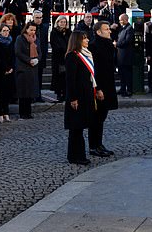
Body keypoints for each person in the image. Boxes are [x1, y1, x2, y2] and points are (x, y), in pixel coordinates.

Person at [64, 31, 95, 165]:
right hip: (77, 96)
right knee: (75, 128)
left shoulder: (85, 54)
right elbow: (70, 79)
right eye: (84, 39)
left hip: (86, 94)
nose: (87, 40)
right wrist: (73, 98)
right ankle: (75, 156)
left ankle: (79, 154)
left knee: (80, 126)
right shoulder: (72, 56)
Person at [88, 21, 117, 157]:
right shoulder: (94, 46)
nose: (109, 31)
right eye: (106, 29)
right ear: (98, 32)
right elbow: (94, 70)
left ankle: (99, 144)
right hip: (99, 86)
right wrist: (98, 88)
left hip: (108, 85)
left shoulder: (109, 45)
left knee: (102, 116)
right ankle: (93, 146)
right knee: (96, 117)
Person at [15, 22, 40, 119]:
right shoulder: (20, 38)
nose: (33, 32)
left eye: (34, 30)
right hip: (23, 68)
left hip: (33, 68)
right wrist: (29, 60)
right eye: (31, 30)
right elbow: (18, 52)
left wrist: (37, 59)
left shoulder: (36, 39)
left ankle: (28, 112)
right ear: (26, 29)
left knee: (30, 92)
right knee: (23, 92)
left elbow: (40, 52)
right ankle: (22, 113)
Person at [0, 24, 15, 123]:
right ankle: (0, 113)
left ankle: (6, 112)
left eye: (7, 30)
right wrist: (5, 68)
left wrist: (11, 68)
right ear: (0, 32)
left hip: (9, 71)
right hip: (0, 71)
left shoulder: (10, 42)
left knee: (7, 93)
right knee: (0, 93)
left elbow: (13, 56)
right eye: (4, 31)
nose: (6, 32)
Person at [50, 15, 71, 101]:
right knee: (58, 76)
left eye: (64, 22)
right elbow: (54, 44)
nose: (63, 23)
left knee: (66, 76)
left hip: (67, 56)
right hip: (58, 57)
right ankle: (59, 94)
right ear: (57, 22)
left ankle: (66, 93)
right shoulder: (54, 32)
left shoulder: (69, 32)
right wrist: (62, 49)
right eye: (61, 22)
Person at [31, 10, 48, 102]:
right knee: (32, 77)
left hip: (42, 55)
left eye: (41, 17)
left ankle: (38, 95)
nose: (39, 19)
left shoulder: (44, 27)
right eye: (37, 17)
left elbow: (45, 41)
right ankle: (32, 95)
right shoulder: (29, 27)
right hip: (32, 55)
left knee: (40, 76)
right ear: (33, 18)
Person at [116, 14, 134, 97]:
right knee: (121, 74)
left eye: (121, 20)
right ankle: (122, 88)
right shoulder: (122, 29)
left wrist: (117, 44)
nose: (120, 22)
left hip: (126, 56)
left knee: (127, 74)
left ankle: (129, 90)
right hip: (120, 56)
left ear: (126, 19)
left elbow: (127, 41)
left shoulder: (129, 29)